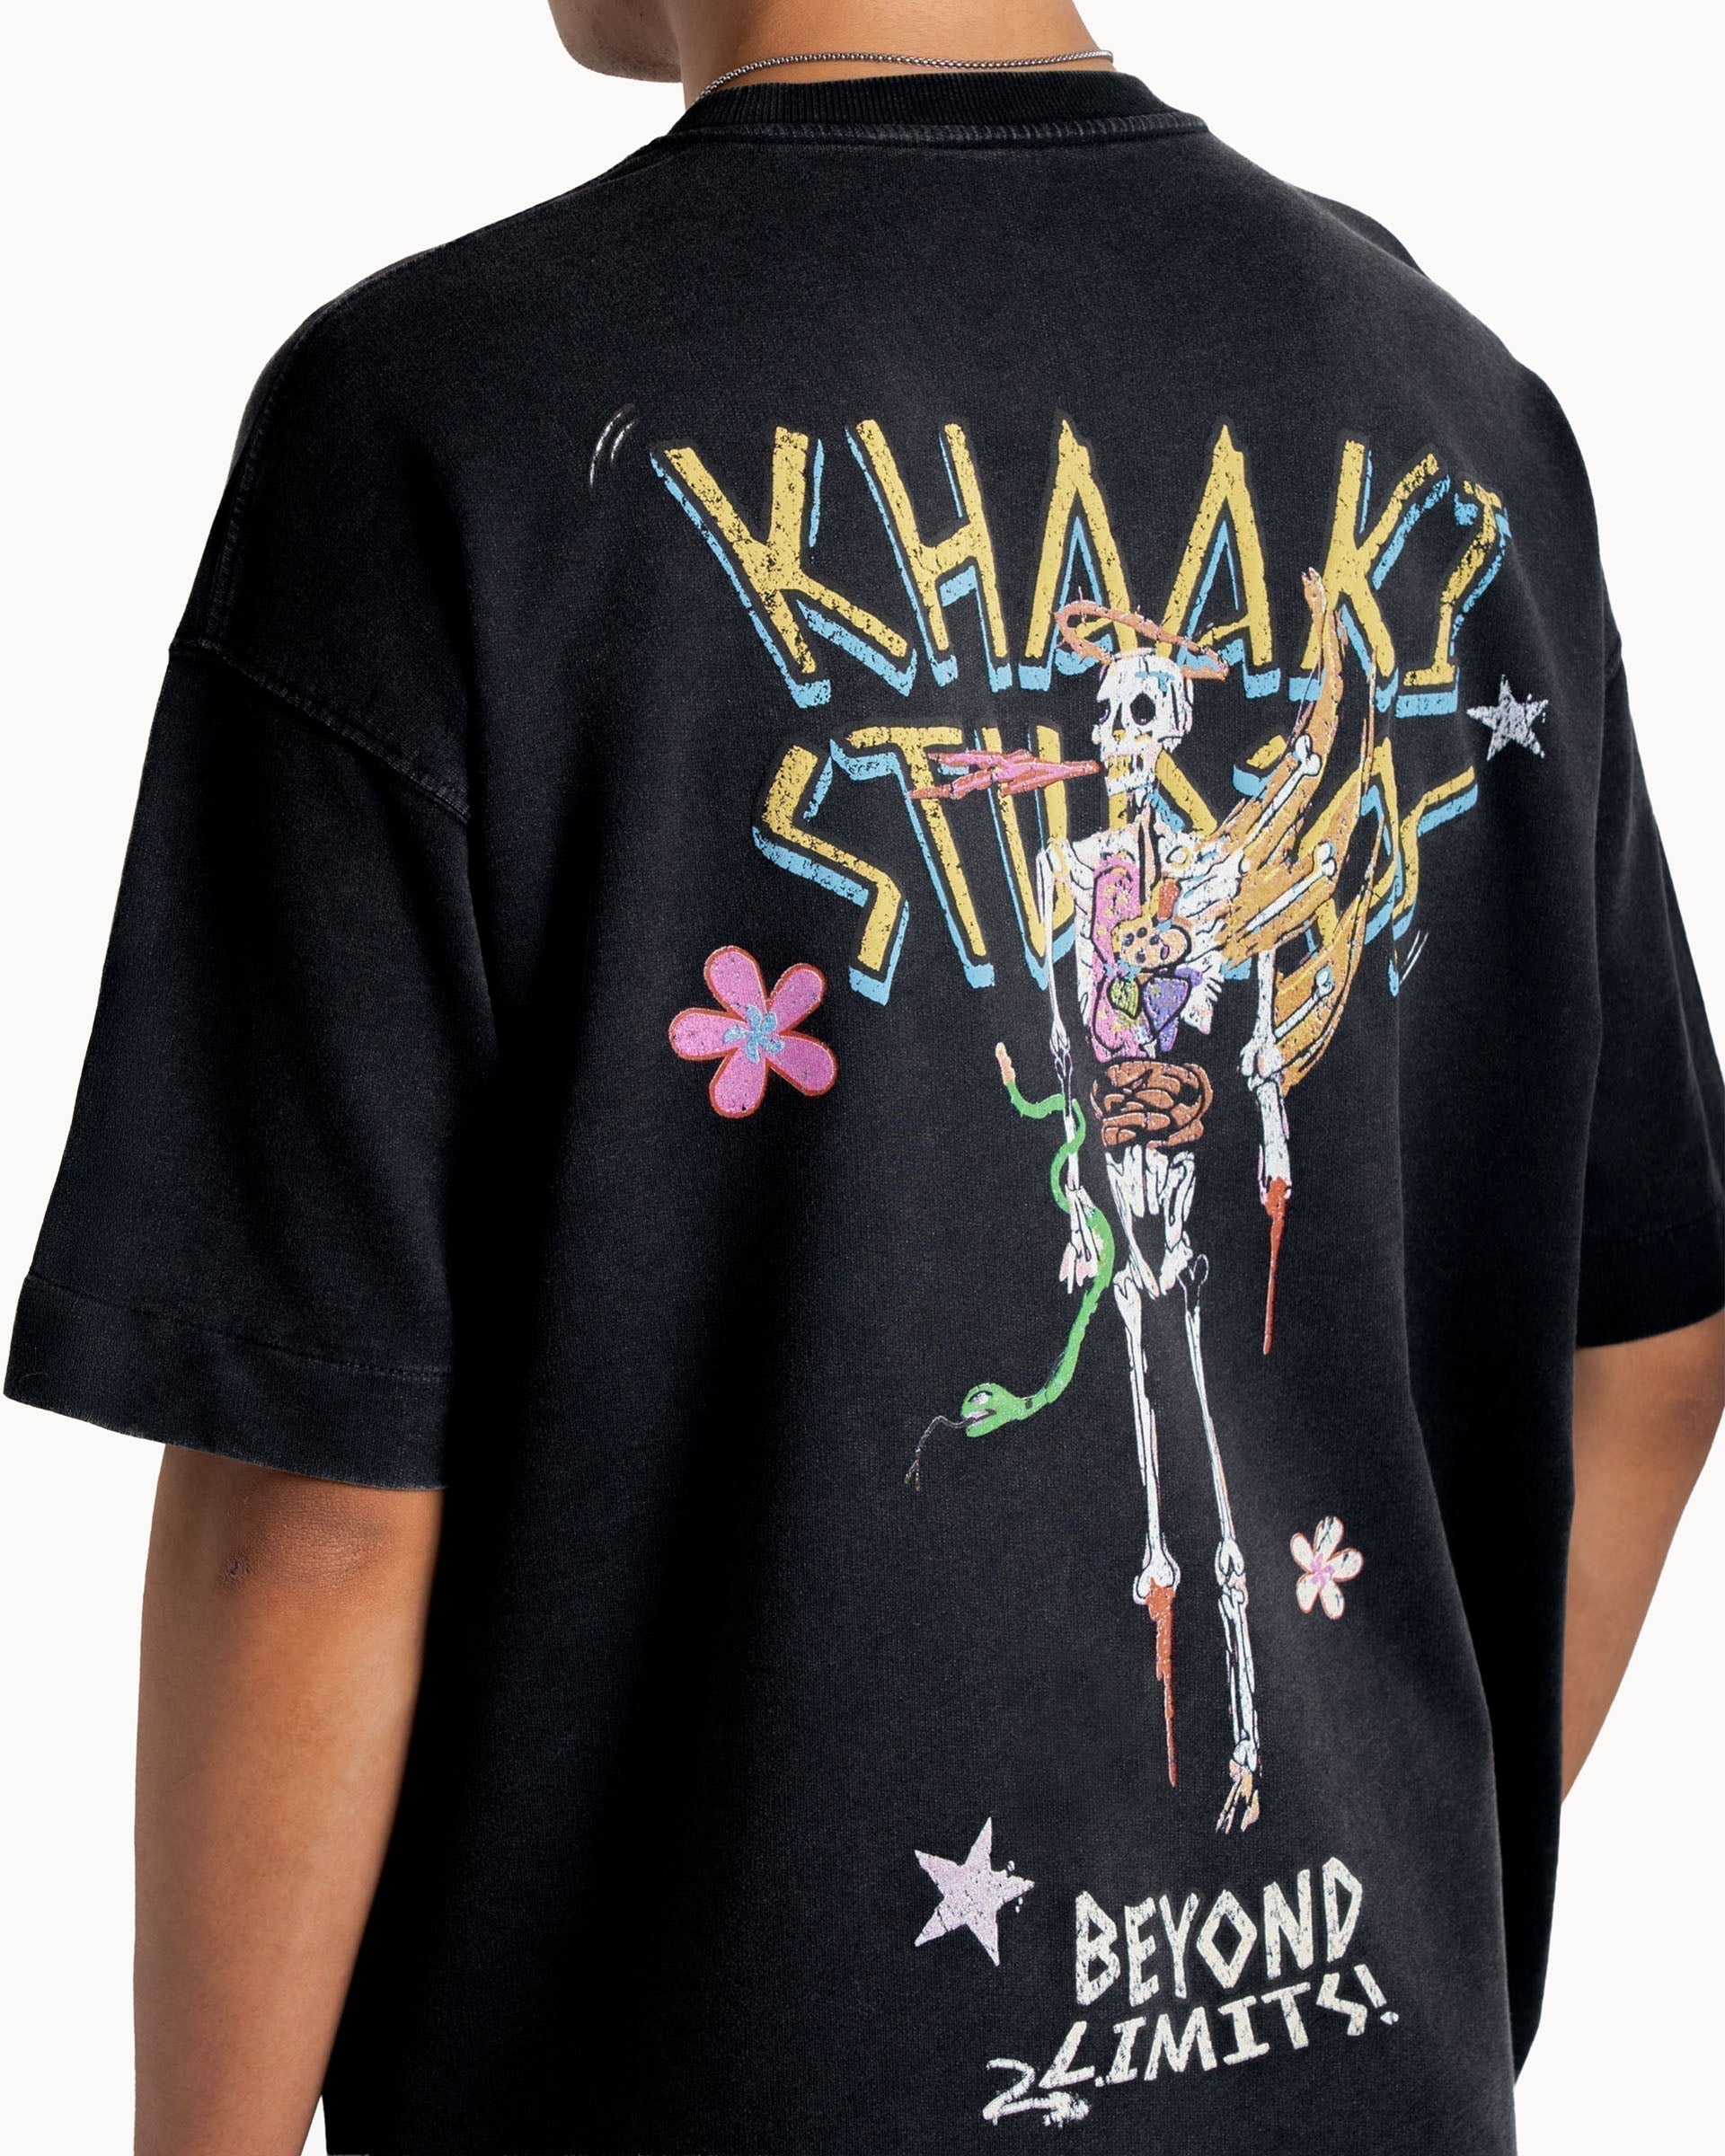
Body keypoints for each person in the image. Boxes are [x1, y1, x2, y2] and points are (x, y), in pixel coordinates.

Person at [6, 2, 1721, 2151]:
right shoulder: (1457, 412)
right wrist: (1382, 1932)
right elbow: (1656, 1342)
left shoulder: (441, 424)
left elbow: (317, 1524)